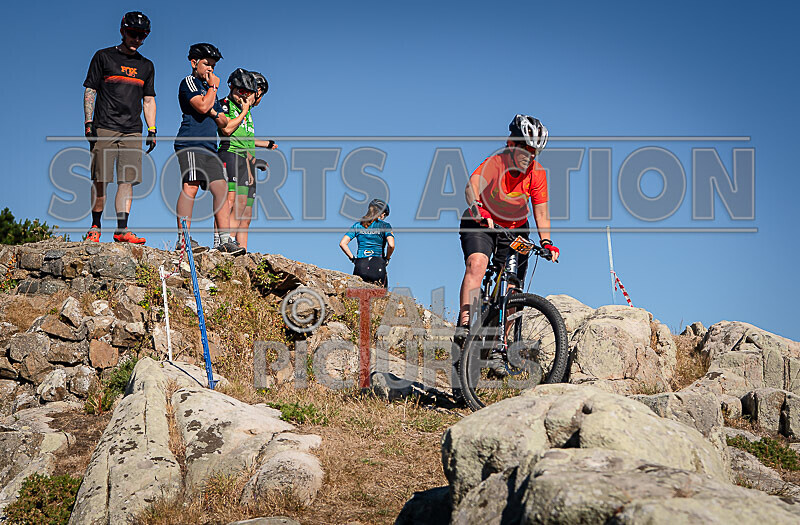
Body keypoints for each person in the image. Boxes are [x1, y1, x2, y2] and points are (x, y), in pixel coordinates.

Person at [456, 115, 560, 370]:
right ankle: (466, 324)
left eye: (534, 151)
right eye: (525, 148)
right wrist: (479, 209)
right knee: (477, 264)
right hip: (481, 221)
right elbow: (471, 187)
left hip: (514, 230)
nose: (529, 155)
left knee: (513, 286)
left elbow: (541, 212)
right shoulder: (495, 163)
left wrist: (546, 242)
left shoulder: (537, 174)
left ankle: (498, 345)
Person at [83, 11, 156, 244]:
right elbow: (90, 90)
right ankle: (95, 226)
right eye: (134, 34)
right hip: (104, 126)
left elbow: (149, 99)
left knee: (127, 179)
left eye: (143, 36)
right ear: (123, 31)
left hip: (133, 129)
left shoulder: (146, 66)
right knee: (101, 178)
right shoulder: (103, 57)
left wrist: (152, 129)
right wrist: (88, 122)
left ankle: (122, 230)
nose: (137, 39)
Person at [174, 43, 244, 255]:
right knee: (191, 186)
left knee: (221, 189)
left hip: (209, 146)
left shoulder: (208, 90)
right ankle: (183, 238)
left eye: (213, 66)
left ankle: (224, 240)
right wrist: (213, 91)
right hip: (191, 142)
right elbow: (204, 107)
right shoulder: (190, 82)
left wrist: (219, 111)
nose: (210, 69)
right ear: (194, 63)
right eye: (206, 64)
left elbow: (223, 122)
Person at [216, 68, 257, 252]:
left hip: (243, 157)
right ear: (231, 87)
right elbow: (226, 130)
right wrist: (243, 111)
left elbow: (248, 138)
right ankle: (219, 239)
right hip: (229, 151)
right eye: (241, 91)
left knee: (240, 202)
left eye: (248, 93)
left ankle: (231, 239)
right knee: (229, 199)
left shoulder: (246, 109)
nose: (244, 96)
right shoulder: (224, 104)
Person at [339, 199, 394, 287]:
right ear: (382, 213)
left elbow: (342, 243)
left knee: (358, 298)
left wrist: (353, 259)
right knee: (380, 298)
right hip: (378, 264)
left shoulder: (358, 225)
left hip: (360, 265)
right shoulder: (385, 226)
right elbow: (391, 245)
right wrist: (387, 258)